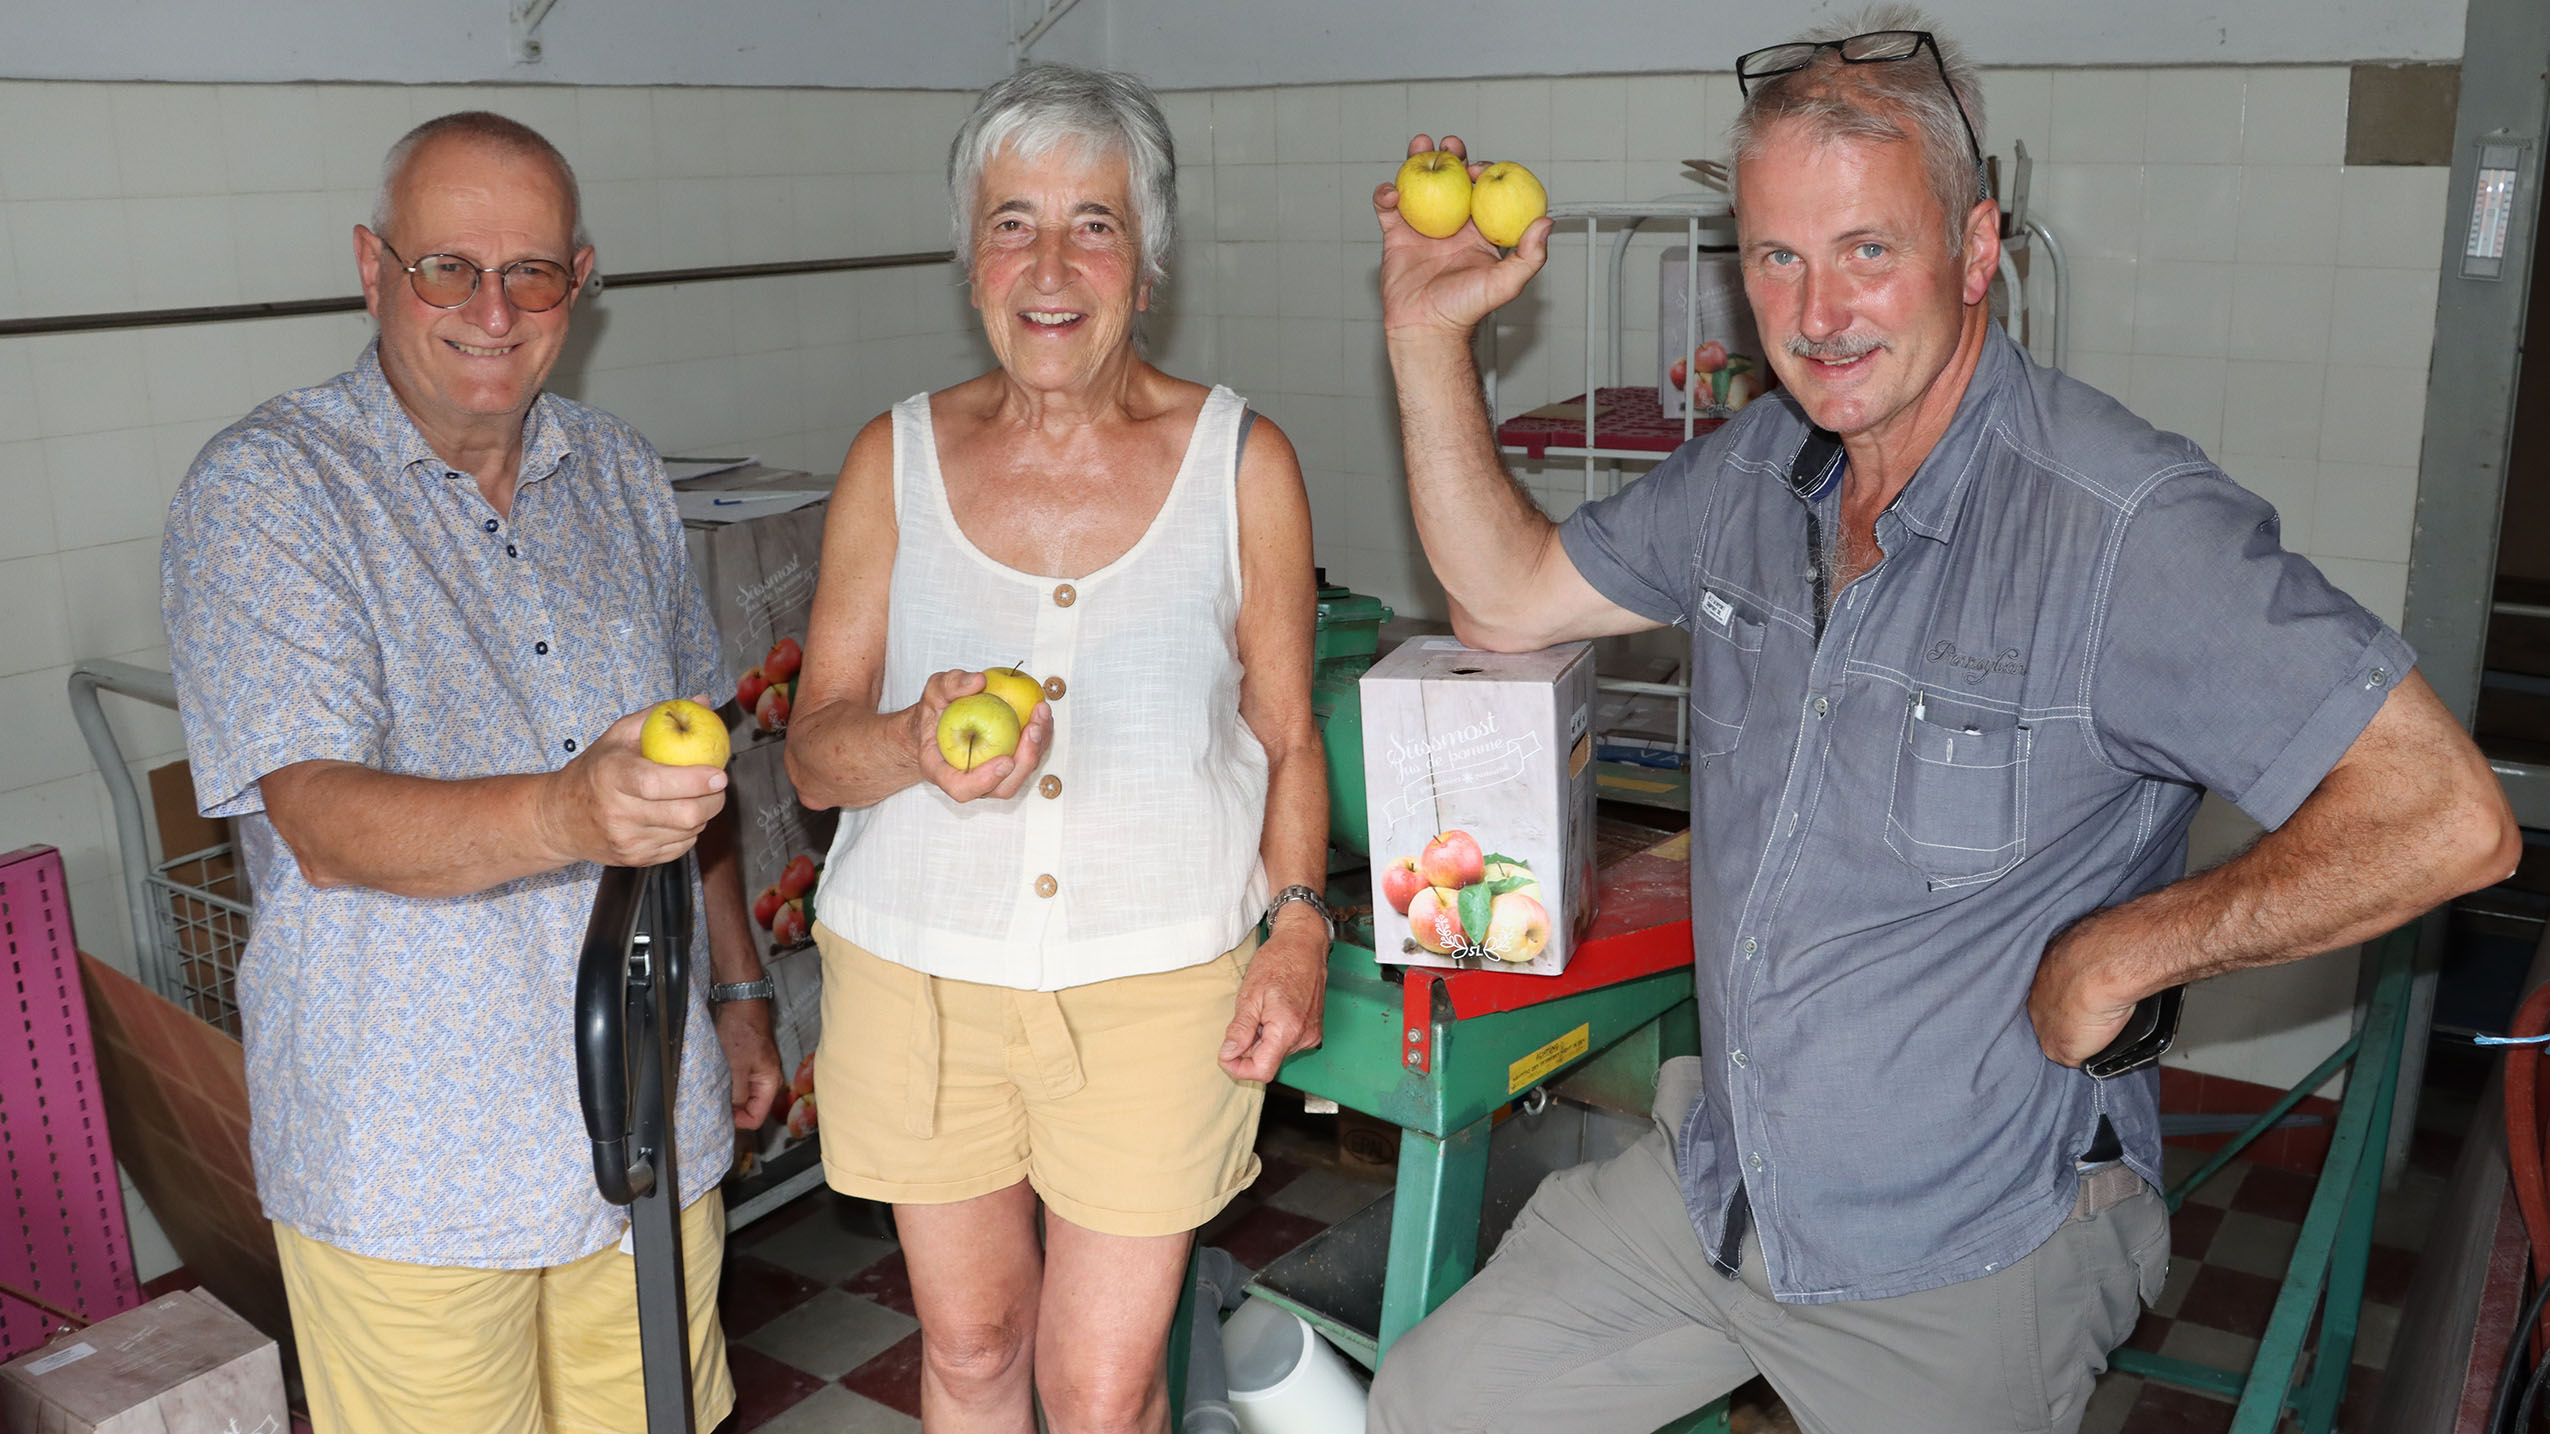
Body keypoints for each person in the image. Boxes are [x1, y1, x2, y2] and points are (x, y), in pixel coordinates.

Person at [1360, 12, 2519, 1433]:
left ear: (1975, 253)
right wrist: (1425, 342)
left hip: (1965, 1248)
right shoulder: (1752, 470)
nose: (1816, 311)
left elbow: (2443, 816)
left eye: (1867, 251)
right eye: (1776, 256)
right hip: (1726, 1184)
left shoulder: (2119, 530)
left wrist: (2122, 946)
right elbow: (1504, 595)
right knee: (1430, 1403)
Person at [160, 111, 779, 1434]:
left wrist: (736, 992)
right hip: (412, 1170)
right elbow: (319, 816)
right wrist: (568, 808)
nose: (492, 308)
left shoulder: (615, 472)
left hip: (640, 1127)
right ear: (372, 267)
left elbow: (699, 765)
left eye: (533, 271)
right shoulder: (269, 490)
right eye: (448, 266)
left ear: (580, 280)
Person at [784, 61, 1328, 1434]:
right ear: (971, 259)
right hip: (917, 972)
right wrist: (913, 738)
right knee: (970, 1351)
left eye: (1093, 222)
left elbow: (1283, 731)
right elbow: (810, 758)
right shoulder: (888, 461)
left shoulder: (1238, 462)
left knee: (1100, 1389)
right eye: (1012, 221)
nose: (1048, 261)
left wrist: (1298, 925)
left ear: (1145, 267)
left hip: (1156, 981)